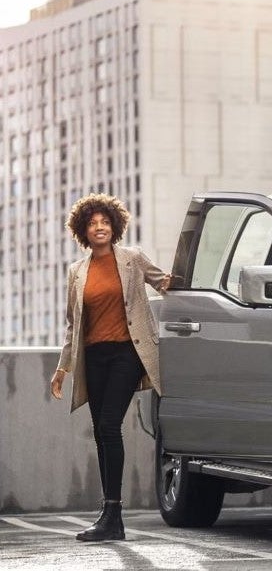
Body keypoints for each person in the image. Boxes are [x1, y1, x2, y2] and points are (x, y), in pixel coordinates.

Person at [50, 193, 170, 542]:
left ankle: (113, 512)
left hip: (127, 353)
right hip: (95, 356)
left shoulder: (132, 259)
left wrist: (187, 283)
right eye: (92, 223)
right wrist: (62, 369)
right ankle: (110, 516)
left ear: (114, 226)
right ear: (83, 231)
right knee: (101, 433)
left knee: (108, 425)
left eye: (104, 222)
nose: (99, 227)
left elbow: (162, 281)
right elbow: (73, 325)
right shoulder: (77, 271)